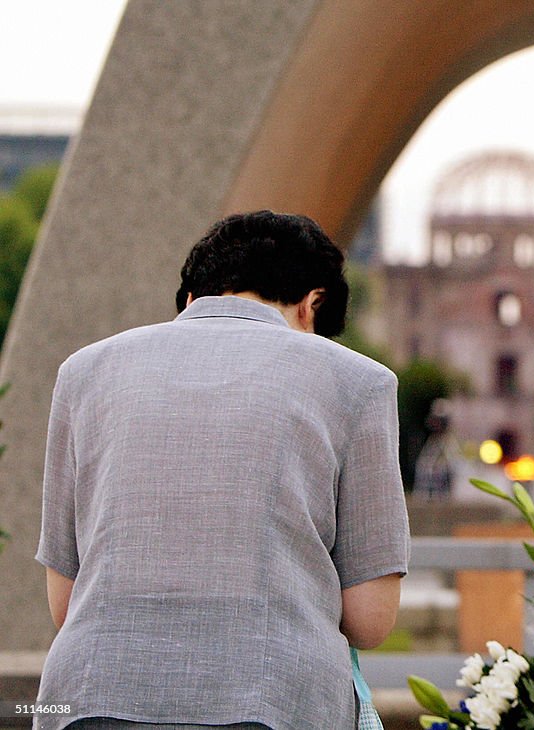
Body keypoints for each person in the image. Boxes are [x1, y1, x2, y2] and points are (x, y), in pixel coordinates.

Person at [35, 211, 410, 730]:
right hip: (275, 700)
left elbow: (64, 604)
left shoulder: (82, 372)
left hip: (88, 696)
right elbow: (371, 619)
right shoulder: (360, 381)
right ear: (311, 305)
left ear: (190, 301)